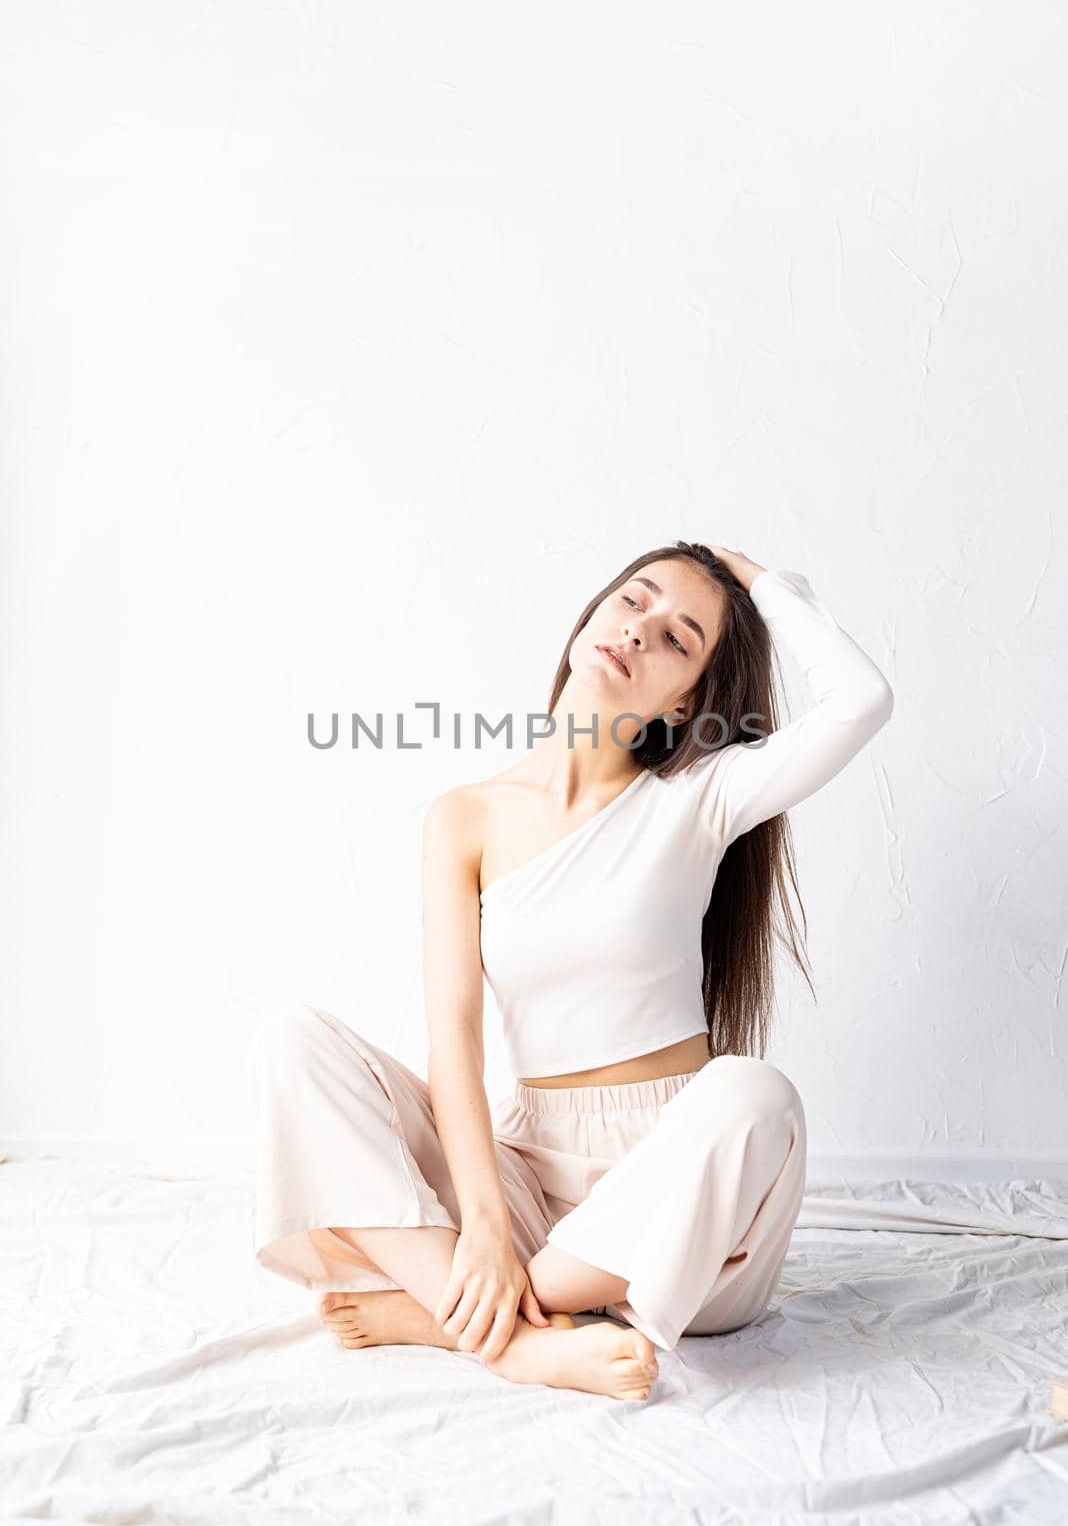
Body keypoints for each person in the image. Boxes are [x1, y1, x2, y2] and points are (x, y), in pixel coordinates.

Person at [249, 541, 894, 1402]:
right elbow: (456, 1045)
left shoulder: (699, 795)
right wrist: (483, 1223)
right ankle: (514, 1335)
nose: (640, 632)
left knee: (757, 1095)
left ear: (688, 698)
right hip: (526, 1179)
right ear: (591, 615)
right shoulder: (465, 817)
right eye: (635, 601)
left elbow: (861, 703)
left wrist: (764, 585)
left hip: (678, 1202)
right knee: (295, 1043)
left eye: (678, 638)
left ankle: (455, 1314)